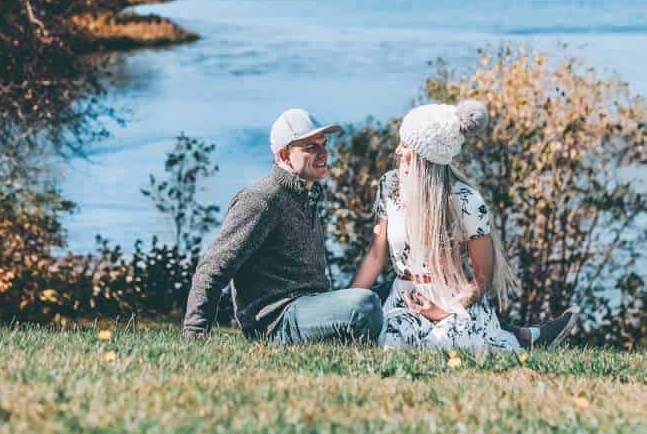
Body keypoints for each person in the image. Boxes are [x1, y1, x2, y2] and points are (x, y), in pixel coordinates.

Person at [351, 100, 580, 351]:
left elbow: (483, 277)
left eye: (405, 145)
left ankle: (525, 339)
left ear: (425, 158)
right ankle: (525, 337)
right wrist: (348, 306)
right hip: (405, 300)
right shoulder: (389, 186)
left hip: (453, 300)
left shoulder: (467, 202)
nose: (397, 151)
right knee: (392, 342)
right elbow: (375, 256)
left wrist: (444, 310)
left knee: (449, 343)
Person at [183, 109, 383, 344]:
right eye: (311, 147)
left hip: (310, 308)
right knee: (364, 306)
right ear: (284, 156)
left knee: (393, 292)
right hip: (277, 323)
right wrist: (195, 334)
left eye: (324, 144)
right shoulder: (261, 200)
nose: (323, 153)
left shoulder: (308, 194)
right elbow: (212, 269)